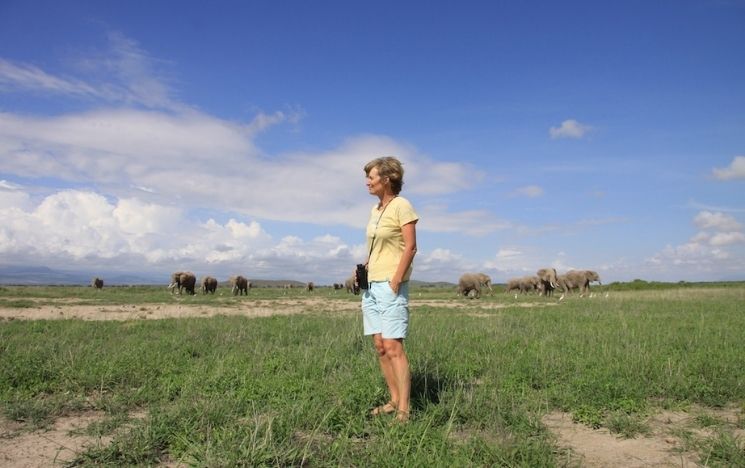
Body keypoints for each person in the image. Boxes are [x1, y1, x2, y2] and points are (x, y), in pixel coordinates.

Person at [360, 156, 418, 422]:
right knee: (380, 346)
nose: (367, 182)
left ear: (386, 179)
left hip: (390, 285)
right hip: (371, 285)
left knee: (394, 347)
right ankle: (393, 401)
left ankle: (405, 409)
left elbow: (410, 247)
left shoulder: (401, 206)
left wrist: (396, 280)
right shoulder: (375, 210)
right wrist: (366, 265)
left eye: (371, 177)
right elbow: (378, 245)